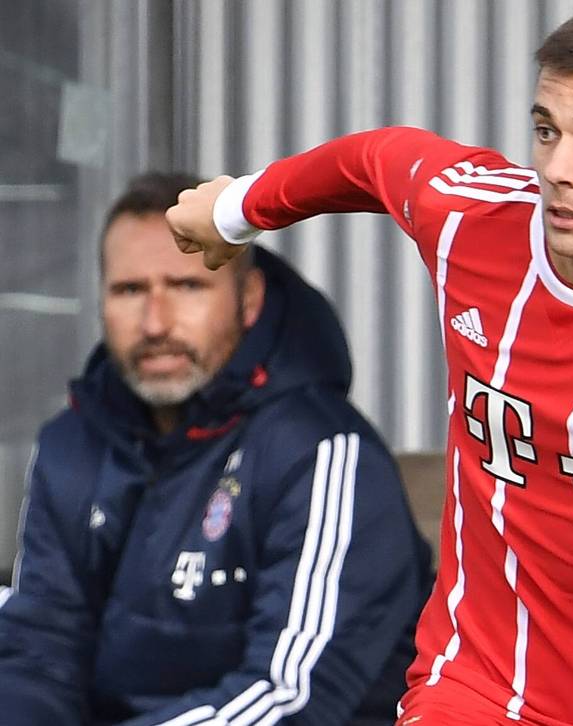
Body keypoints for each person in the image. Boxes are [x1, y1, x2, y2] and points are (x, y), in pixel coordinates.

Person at [166, 2, 573, 724]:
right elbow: (376, 159)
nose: (559, 169)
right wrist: (237, 209)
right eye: (546, 131)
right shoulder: (472, 218)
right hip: (486, 686)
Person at [0, 172, 433, 725]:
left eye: (187, 287)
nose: (155, 323)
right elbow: (38, 653)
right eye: (130, 290)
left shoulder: (322, 450)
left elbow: (288, 696)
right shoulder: (71, 444)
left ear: (248, 300)